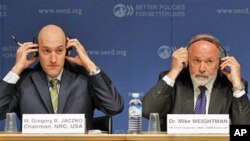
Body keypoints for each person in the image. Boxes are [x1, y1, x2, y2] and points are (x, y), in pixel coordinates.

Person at [0, 24, 124, 130]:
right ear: (36, 52)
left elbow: (114, 107)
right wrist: (16, 70)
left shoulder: (84, 79)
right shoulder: (22, 81)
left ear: (68, 50)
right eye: (46, 51)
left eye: (59, 51)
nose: (53, 59)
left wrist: (89, 65)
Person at [142, 34, 250, 131]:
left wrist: (236, 85)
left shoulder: (231, 85)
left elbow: (242, 132)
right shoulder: (173, 80)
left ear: (219, 63)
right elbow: (147, 112)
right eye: (197, 60)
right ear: (187, 60)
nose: (202, 69)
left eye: (209, 61)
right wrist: (174, 71)